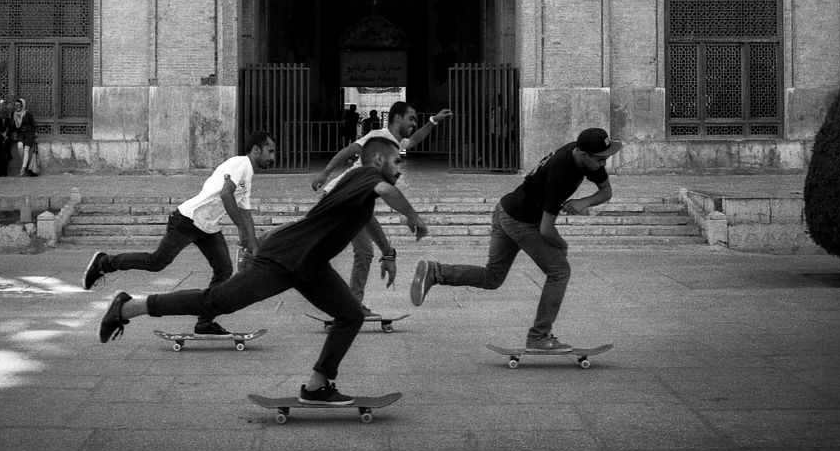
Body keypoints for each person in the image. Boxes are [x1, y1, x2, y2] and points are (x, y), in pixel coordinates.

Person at [97, 136, 430, 406]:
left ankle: (317, 385)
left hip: (310, 265)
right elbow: (387, 191)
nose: (401, 168)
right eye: (397, 161)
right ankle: (128, 307)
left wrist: (388, 251)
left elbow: (367, 218)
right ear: (377, 160)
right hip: (283, 258)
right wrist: (414, 218)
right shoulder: (367, 176)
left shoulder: (361, 186)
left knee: (350, 315)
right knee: (216, 302)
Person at [410, 127, 622, 351]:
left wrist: (584, 202)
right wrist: (562, 245)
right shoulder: (561, 175)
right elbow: (546, 230)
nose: (604, 164)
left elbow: (606, 191)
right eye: (600, 159)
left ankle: (436, 271)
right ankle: (539, 337)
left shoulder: (587, 155)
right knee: (560, 271)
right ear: (582, 154)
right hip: (521, 221)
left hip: (505, 209)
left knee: (492, 277)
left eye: (606, 158)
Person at [82, 131, 276, 335]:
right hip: (187, 220)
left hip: (207, 227)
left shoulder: (248, 176)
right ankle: (104, 263)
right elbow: (226, 195)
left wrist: (252, 243)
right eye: (270, 151)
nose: (273, 158)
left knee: (224, 270)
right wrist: (241, 229)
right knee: (157, 262)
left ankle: (205, 321)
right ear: (256, 150)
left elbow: (245, 211)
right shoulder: (241, 164)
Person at [311, 101, 452, 313]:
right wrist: (325, 173)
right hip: (340, 197)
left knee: (361, 252)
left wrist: (433, 121)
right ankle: (350, 306)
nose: (414, 123)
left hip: (354, 202)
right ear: (397, 118)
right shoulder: (378, 136)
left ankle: (352, 305)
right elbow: (349, 150)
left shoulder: (395, 145)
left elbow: (413, 140)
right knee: (315, 244)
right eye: (411, 118)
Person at [11, 98, 39, 176]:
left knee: (26, 150)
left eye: (18, 105)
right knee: (20, 147)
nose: (17, 107)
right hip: (20, 134)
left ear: (22, 105)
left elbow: (33, 125)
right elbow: (13, 126)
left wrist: (36, 135)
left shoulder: (27, 113)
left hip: (29, 134)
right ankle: (26, 164)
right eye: (16, 105)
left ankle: (22, 169)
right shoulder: (14, 114)